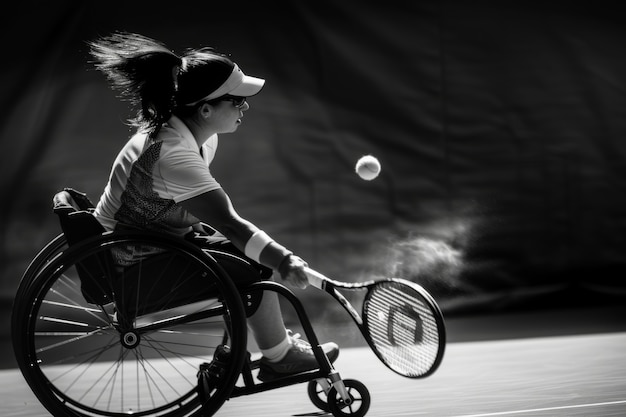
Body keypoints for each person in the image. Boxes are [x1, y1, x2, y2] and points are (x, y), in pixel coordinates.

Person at [88, 32, 339, 381]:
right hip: (133, 270)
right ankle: (277, 357)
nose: (245, 106)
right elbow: (232, 225)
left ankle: (258, 354)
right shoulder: (173, 154)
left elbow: (187, 210)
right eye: (236, 100)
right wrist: (284, 260)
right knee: (253, 267)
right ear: (205, 109)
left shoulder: (194, 138)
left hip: (151, 249)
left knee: (247, 257)